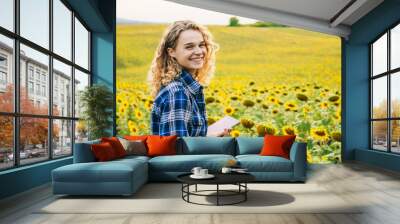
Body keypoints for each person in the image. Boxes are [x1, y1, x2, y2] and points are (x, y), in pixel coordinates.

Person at [148, 20, 229, 137]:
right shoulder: (178, 93)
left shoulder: (185, 88)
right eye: (189, 47)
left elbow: (187, 140)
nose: (199, 51)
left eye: (201, 45)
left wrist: (210, 136)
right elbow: (177, 150)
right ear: (172, 52)